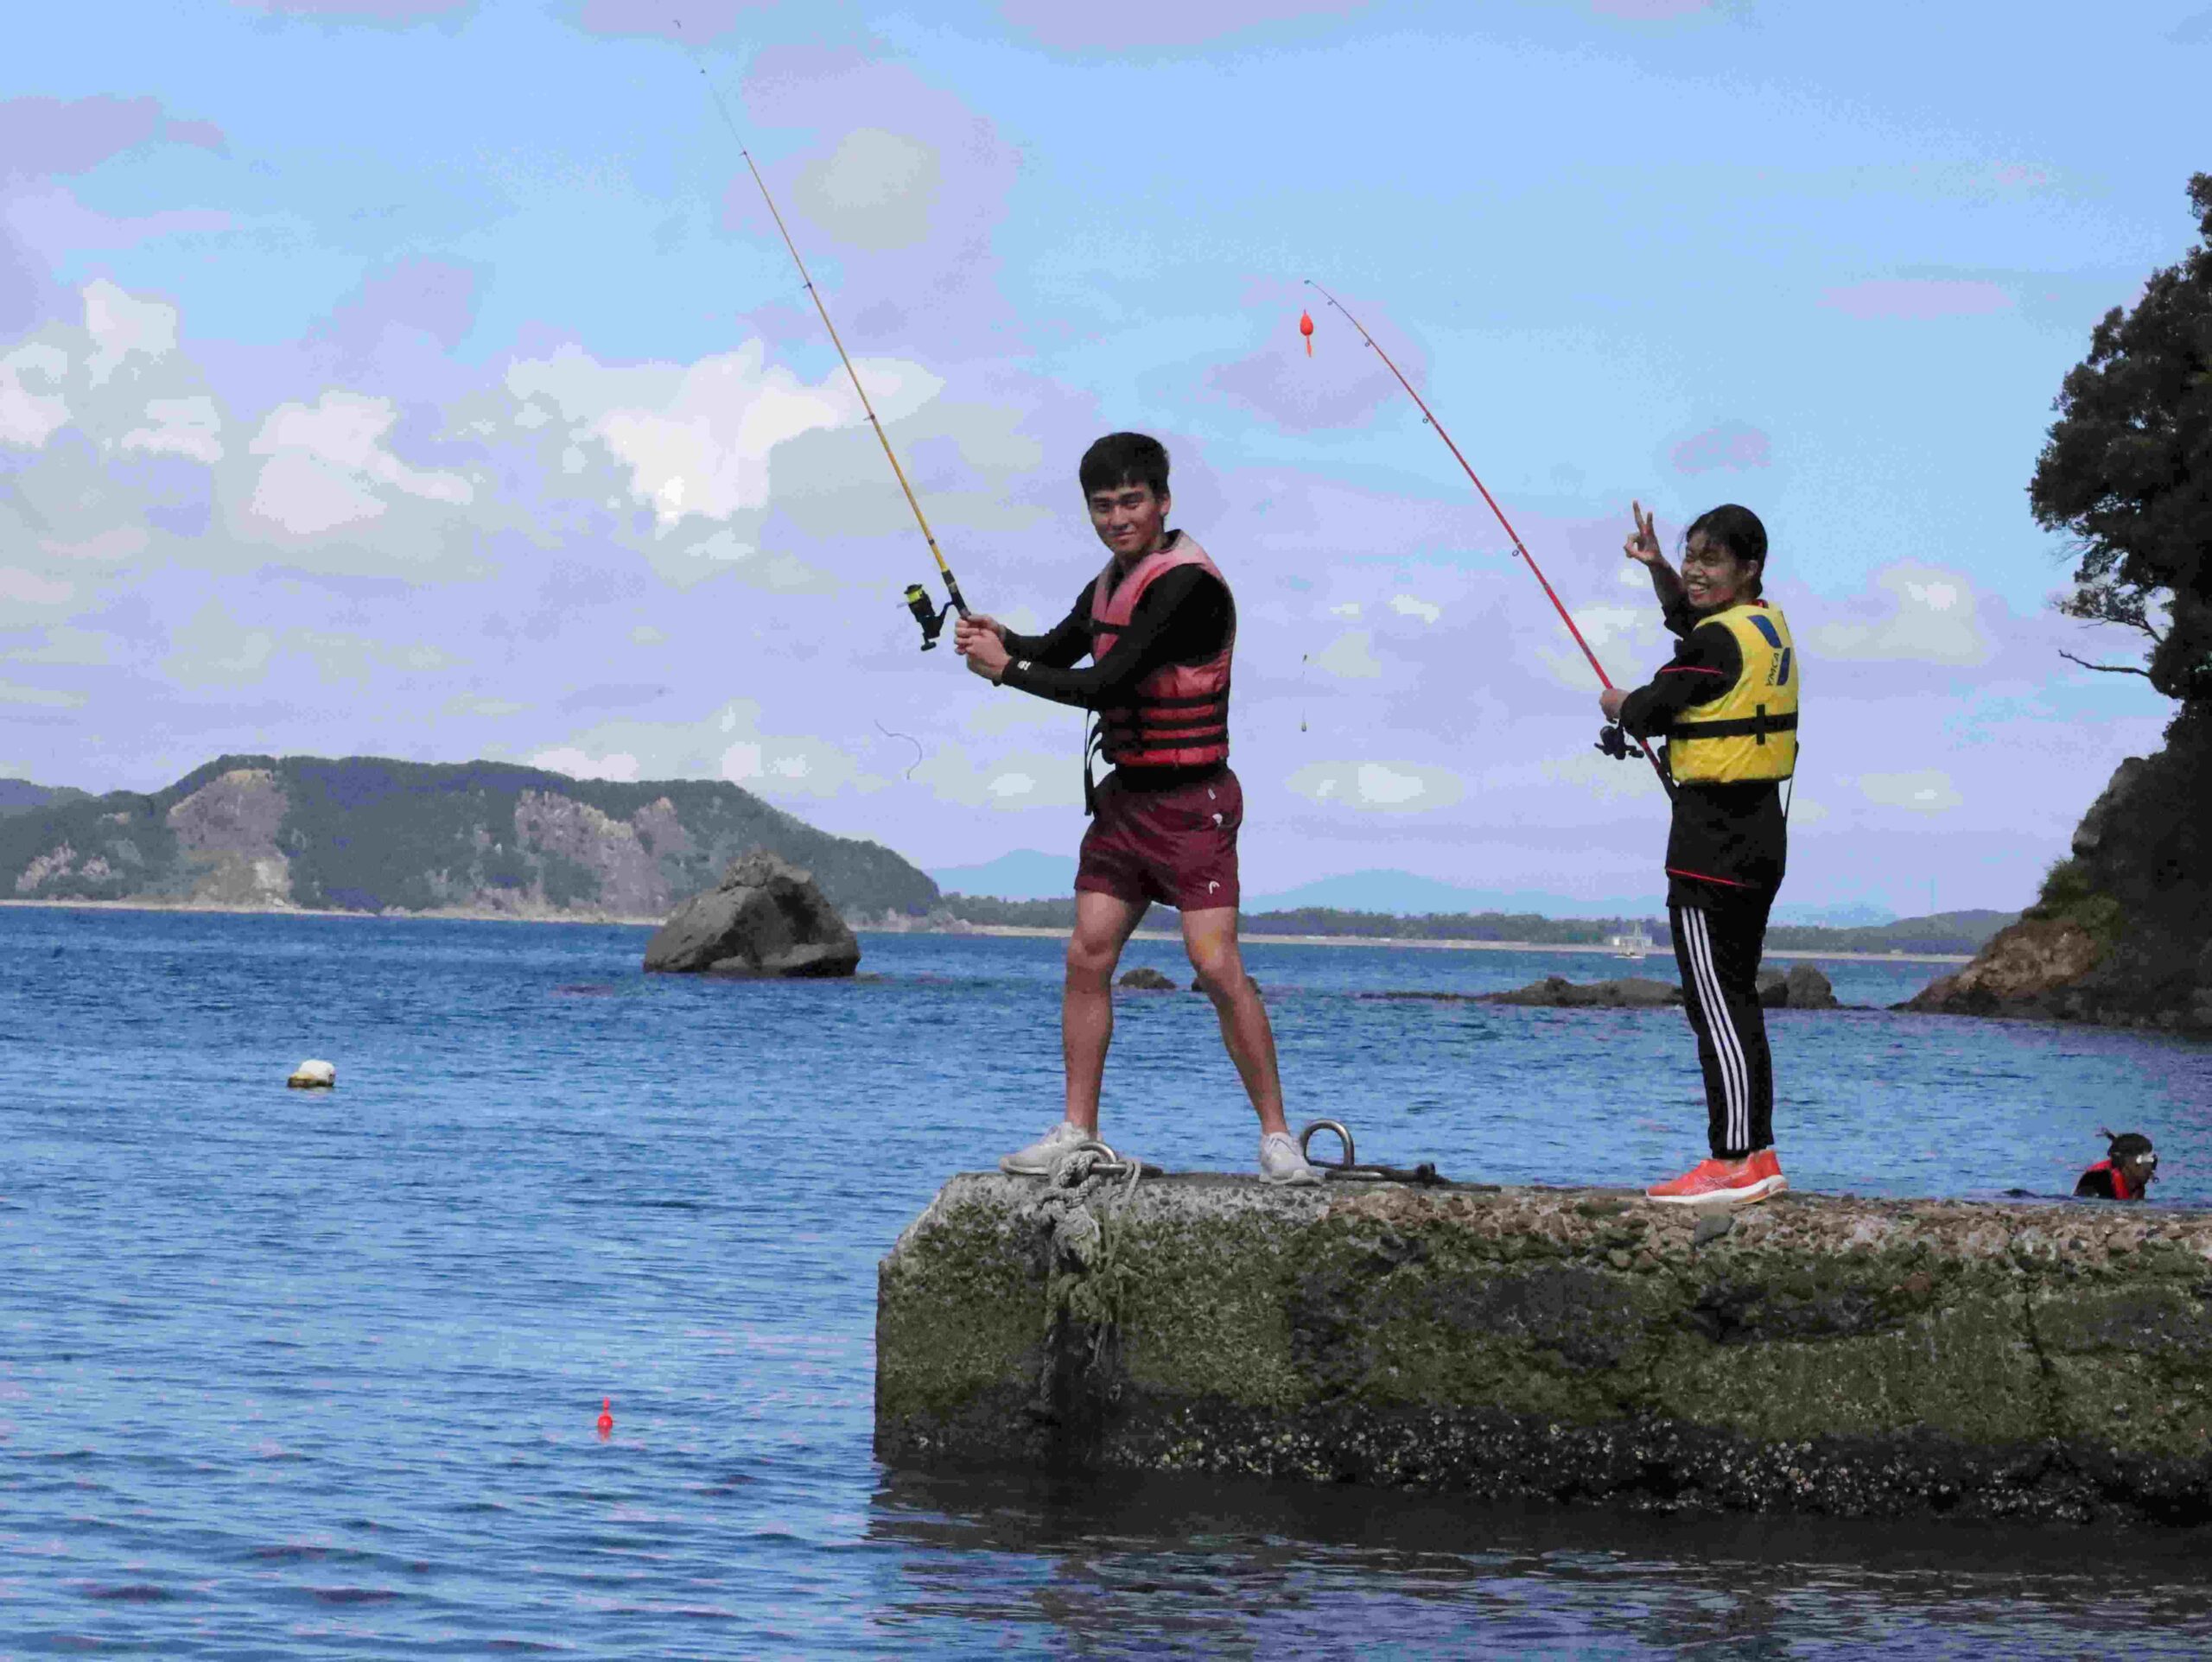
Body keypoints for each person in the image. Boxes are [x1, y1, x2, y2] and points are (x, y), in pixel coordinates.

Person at [953, 431, 1319, 1186]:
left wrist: (1006, 672)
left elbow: (1111, 682)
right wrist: (1003, 640)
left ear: (1163, 502)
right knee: (1087, 954)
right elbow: (1058, 649)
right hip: (1125, 805)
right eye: (1102, 505)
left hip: (1194, 805)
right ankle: (1077, 1130)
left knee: (1215, 968)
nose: (1117, 518)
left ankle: (1280, 1138)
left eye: (1131, 502)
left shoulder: (1188, 588)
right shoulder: (1108, 581)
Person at [1603, 501, 1796, 1206]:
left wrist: (1616, 701)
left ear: (1749, 569)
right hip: (1758, 835)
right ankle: (1757, 1153)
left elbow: (1651, 707)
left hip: (1711, 846)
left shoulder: (1718, 643)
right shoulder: (1760, 628)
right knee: (1735, 1000)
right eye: (1691, 557)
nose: (1695, 570)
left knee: (1714, 1005)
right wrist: (1658, 569)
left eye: (1711, 561)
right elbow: (1690, 622)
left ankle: (1735, 1160)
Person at [2075, 1131, 2158, 1200]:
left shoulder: (2136, 1185)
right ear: (2124, 1161)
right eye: (2143, 1160)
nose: (2149, 1167)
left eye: (2152, 1161)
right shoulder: (2097, 1181)